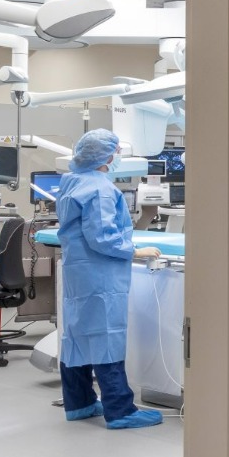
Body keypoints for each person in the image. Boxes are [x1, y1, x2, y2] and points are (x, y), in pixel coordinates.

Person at [55, 129, 163, 429]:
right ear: (105, 156)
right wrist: (135, 251)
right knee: (106, 336)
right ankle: (121, 410)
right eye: (115, 152)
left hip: (79, 272)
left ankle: (80, 403)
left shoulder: (70, 181)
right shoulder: (100, 189)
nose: (117, 158)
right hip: (100, 273)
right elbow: (102, 237)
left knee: (76, 336)